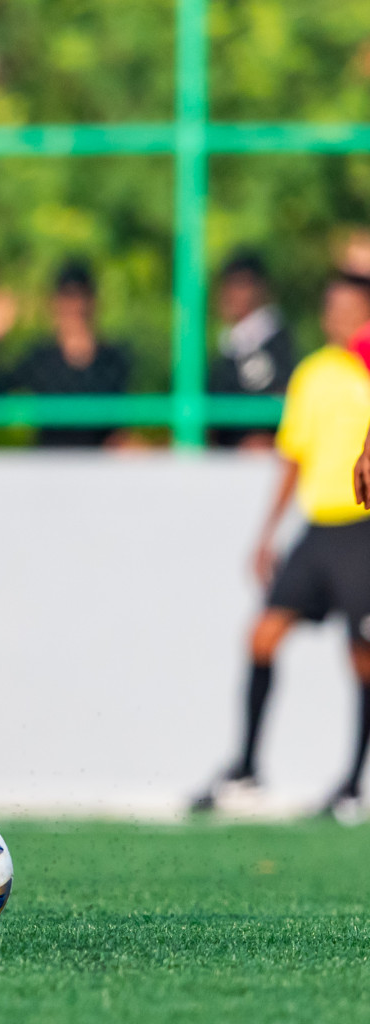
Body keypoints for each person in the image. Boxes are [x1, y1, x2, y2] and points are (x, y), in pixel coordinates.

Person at [192, 271, 370, 824]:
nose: (338, 315)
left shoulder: (366, 362)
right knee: (263, 635)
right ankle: (245, 768)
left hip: (364, 527)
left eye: (350, 306)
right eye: (331, 306)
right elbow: (293, 454)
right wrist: (268, 533)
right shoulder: (313, 373)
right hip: (318, 529)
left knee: (361, 653)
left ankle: (350, 785)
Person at [0, 261, 133, 447]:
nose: (74, 306)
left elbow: (120, 433)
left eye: (79, 296)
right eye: (67, 297)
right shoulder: (40, 359)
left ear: (92, 301)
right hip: (50, 469)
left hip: (99, 470)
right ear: (55, 303)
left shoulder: (113, 359)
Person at [208, 250, 296, 449]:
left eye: (240, 285)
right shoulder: (228, 343)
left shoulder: (276, 341)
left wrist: (267, 438)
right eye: (228, 285)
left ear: (260, 289)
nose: (232, 294)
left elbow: (284, 395)